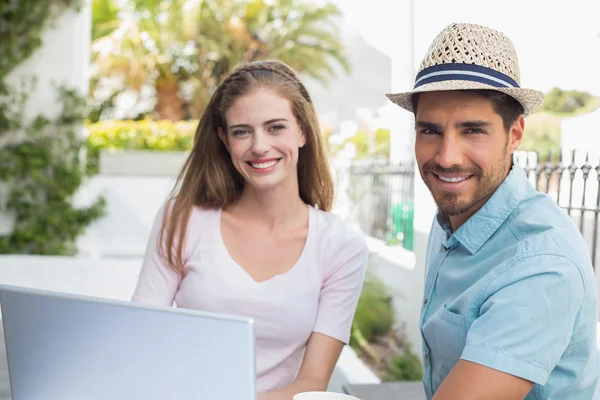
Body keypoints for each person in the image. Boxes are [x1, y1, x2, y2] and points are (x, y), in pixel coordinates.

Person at [131, 60, 369, 399]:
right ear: (224, 140)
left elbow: (312, 382)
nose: (259, 146)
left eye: (275, 128)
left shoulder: (340, 246)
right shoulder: (182, 219)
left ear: (302, 130)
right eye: (242, 131)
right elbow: (139, 337)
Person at [386, 22, 599, 399]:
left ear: (515, 134)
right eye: (430, 131)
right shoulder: (453, 216)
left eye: (473, 131)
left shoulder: (542, 265)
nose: (446, 157)